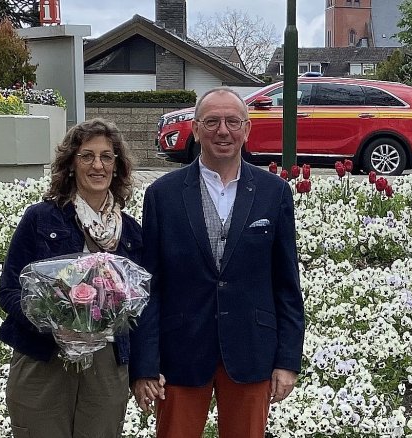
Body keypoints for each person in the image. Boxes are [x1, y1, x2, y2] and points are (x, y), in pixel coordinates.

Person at [130, 86, 305, 437]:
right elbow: (148, 286)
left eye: (231, 121)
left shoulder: (274, 193)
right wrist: (145, 365)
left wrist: (287, 361)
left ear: (247, 129)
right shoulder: (162, 195)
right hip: (180, 352)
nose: (222, 131)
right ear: (195, 129)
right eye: (211, 122)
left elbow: (286, 284)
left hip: (252, 349)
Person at [0, 118, 143, 437]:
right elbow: (8, 291)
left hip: (106, 364)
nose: (97, 165)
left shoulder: (131, 233)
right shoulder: (40, 218)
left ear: (117, 166)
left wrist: (145, 370)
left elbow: (141, 308)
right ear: (71, 164)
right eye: (86, 155)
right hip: (43, 358)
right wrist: (55, 322)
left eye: (107, 156)